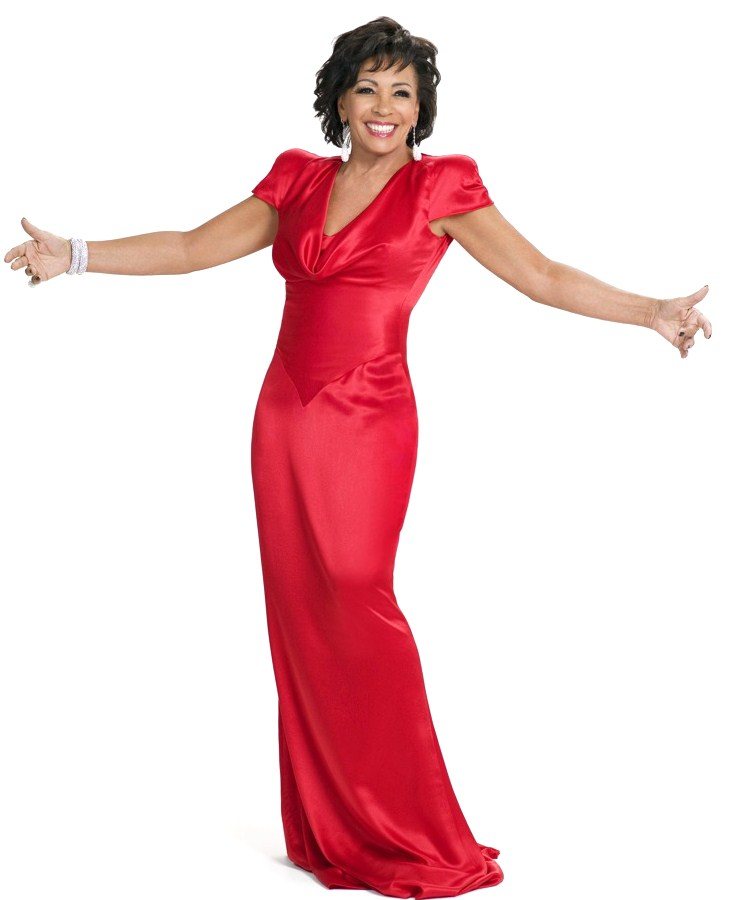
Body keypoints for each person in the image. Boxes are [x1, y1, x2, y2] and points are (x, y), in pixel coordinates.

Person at [3, 15, 711, 900]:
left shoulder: (441, 187)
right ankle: (333, 820)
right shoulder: (297, 180)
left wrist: (650, 311)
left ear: (421, 110)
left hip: (369, 417)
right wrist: (73, 255)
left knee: (356, 592)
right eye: (367, 88)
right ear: (338, 100)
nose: (384, 107)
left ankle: (408, 820)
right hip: (283, 416)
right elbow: (190, 247)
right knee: (301, 608)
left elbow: (541, 276)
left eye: (401, 93)